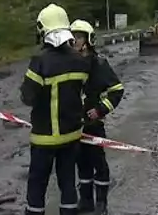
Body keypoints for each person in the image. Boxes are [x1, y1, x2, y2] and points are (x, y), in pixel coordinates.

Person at [20, 4, 92, 215]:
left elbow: (27, 97)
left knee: (37, 185)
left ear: (43, 30)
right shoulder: (80, 60)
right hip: (72, 136)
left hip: (45, 137)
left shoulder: (40, 61)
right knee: (68, 182)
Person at [70, 19, 124, 215]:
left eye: (78, 37)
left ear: (88, 40)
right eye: (73, 37)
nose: (74, 41)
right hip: (76, 125)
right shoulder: (71, 63)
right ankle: (86, 202)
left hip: (94, 124)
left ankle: (101, 204)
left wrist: (100, 110)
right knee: (81, 164)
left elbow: (117, 90)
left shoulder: (99, 64)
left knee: (98, 163)